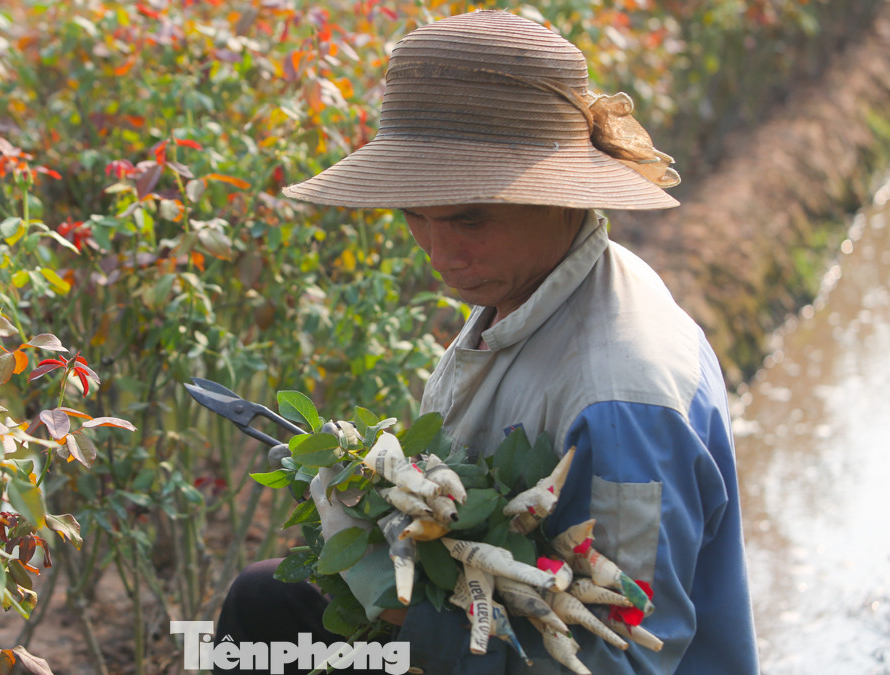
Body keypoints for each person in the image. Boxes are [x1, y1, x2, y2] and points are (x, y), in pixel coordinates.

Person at [214, 9, 759, 674]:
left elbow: (619, 661)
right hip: (494, 632)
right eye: (416, 215)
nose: (442, 253)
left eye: (470, 219)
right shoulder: (532, 286)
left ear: (559, 198)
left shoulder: (620, 404)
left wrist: (400, 611)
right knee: (264, 608)